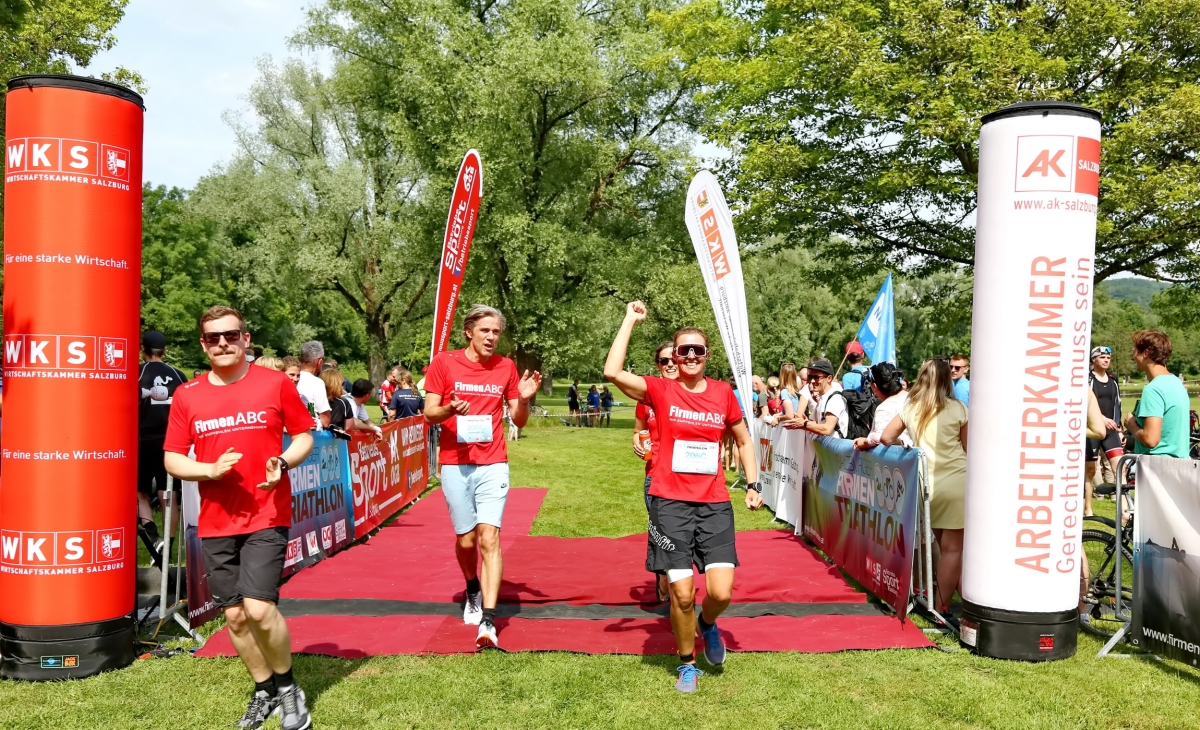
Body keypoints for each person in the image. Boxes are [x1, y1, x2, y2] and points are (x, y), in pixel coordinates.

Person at [163, 306, 315, 730]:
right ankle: (264, 689)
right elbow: (173, 458)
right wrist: (208, 470)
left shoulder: (275, 383)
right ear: (203, 345)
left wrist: (282, 462)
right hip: (216, 519)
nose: (223, 343)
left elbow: (304, 436)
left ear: (246, 339)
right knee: (234, 616)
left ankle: (289, 689)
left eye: (231, 335)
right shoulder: (187, 394)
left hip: (267, 511)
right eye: (213, 338)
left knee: (259, 609)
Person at [604, 301, 761, 694]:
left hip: (714, 504)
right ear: (674, 356)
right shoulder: (660, 389)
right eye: (683, 350)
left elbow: (744, 440)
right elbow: (612, 372)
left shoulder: (723, 393)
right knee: (682, 593)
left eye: (698, 350)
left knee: (720, 592)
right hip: (669, 503)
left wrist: (754, 484)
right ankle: (687, 664)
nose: (691, 355)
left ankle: (707, 624)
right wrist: (629, 320)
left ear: (707, 355)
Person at [424, 305, 542, 649]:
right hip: (455, 462)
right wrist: (450, 408)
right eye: (485, 331)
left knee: (489, 537)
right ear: (469, 332)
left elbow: (518, 420)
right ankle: (472, 586)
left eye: (496, 332)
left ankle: (488, 621)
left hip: (493, 462)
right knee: (467, 540)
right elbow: (429, 413)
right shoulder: (444, 362)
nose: (491, 337)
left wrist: (525, 400)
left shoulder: (506, 367)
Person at [881, 358, 968, 626]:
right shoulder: (958, 408)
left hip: (927, 485)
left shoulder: (911, 408)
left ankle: (946, 602)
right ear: (946, 380)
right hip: (956, 482)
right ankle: (942, 608)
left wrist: (905, 444)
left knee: (944, 547)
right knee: (953, 550)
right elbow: (969, 449)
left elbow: (886, 437)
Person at [136, 330, 189, 566]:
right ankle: (166, 547)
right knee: (169, 495)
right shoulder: (178, 375)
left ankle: (153, 536)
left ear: (143, 350)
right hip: (172, 443)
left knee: (140, 493)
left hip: (143, 441)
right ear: (165, 350)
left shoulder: (137, 373)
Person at [632, 341, 678, 603]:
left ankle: (676, 581)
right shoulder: (646, 397)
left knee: (682, 533)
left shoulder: (693, 393)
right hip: (655, 475)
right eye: (663, 360)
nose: (670, 364)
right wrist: (637, 441)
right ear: (658, 365)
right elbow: (639, 429)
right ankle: (663, 574)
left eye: (673, 359)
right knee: (662, 529)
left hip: (687, 477)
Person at [1124, 330, 1190, 458]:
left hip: (1157, 466)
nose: (1133, 357)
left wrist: (1131, 425)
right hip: (1180, 465)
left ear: (1145, 353)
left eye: (1134, 351)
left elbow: (1151, 439)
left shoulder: (1153, 389)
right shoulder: (1177, 383)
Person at [1085, 346, 1124, 516]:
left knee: (1120, 467)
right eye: (1102, 357)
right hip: (1093, 429)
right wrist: (1100, 418)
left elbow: (1117, 405)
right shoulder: (1087, 379)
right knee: (1090, 470)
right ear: (1094, 359)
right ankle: (1088, 508)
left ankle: (1124, 509)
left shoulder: (1113, 380)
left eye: (1108, 358)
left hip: (1111, 430)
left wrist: (1120, 429)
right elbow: (1085, 404)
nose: (1106, 360)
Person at [853, 362, 910, 449]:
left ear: (874, 386)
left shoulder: (884, 408)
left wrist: (864, 442)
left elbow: (880, 438)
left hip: (898, 456)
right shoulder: (915, 399)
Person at [786, 358, 846, 437]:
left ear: (829, 378)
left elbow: (827, 429)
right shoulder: (823, 397)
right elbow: (816, 423)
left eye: (816, 377)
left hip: (835, 444)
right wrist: (805, 422)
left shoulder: (835, 398)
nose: (812, 381)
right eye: (810, 377)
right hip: (823, 443)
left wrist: (804, 424)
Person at [296, 341, 332, 430]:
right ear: (320, 361)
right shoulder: (317, 383)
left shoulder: (288, 377)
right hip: (311, 433)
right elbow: (325, 421)